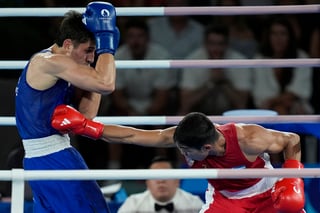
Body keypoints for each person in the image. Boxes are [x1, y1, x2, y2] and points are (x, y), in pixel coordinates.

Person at [52, 105, 305, 213]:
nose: (182, 155)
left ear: (206, 147)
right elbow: (131, 135)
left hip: (267, 192)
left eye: (186, 151)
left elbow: (291, 139)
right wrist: (87, 126)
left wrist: (292, 179)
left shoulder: (249, 138)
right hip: (226, 200)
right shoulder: (180, 137)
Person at [14, 2, 120, 212]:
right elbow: (107, 84)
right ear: (68, 44)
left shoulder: (66, 69)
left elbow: (86, 116)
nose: (91, 57)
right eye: (88, 51)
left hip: (55, 156)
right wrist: (107, 48)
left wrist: (91, 70)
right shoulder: (49, 62)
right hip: (51, 159)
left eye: (95, 51)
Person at [178, 24, 253, 115]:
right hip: (199, 115)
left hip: (230, 115)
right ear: (205, 44)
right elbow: (186, 104)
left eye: (220, 44)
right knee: (182, 113)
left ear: (227, 44)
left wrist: (223, 82)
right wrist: (210, 83)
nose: (216, 49)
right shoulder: (192, 61)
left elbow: (241, 105)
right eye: (212, 43)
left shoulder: (240, 61)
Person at [117, 155, 204, 213]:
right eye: (155, 176)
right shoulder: (133, 203)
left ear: (177, 180)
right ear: (147, 182)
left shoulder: (194, 203)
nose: (161, 181)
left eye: (165, 175)